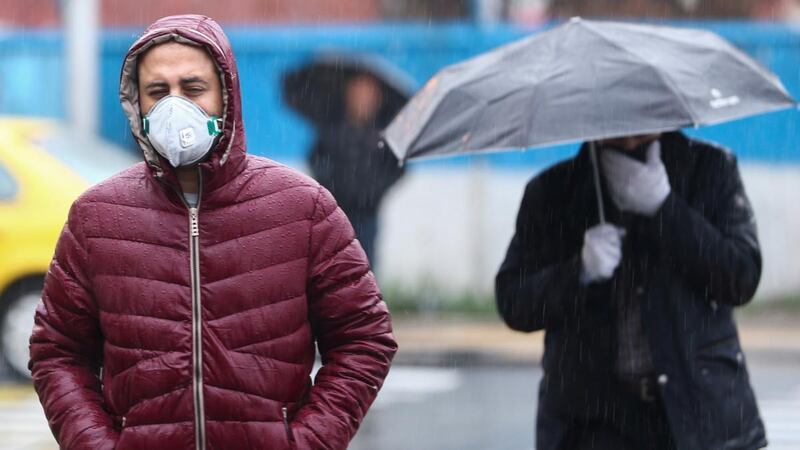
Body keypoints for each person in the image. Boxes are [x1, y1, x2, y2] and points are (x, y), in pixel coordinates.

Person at [29, 15, 396, 450]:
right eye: (158, 92)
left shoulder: (302, 207)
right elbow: (58, 352)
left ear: (227, 95)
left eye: (193, 88)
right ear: (137, 105)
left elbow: (364, 339)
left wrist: (306, 441)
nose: (175, 105)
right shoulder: (97, 218)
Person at [496, 131, 766, 450]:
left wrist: (665, 209)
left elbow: (740, 277)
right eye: (617, 133)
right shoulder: (553, 191)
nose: (629, 140)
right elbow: (515, 302)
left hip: (699, 414)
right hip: (594, 424)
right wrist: (579, 271)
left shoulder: (709, 169)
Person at [308, 73, 405, 264]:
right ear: (348, 96)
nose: (363, 99)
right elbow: (316, 160)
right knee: (333, 266)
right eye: (358, 93)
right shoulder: (332, 129)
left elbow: (398, 168)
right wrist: (332, 186)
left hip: (368, 213)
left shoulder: (385, 135)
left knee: (365, 265)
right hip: (335, 212)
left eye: (369, 94)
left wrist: (375, 190)